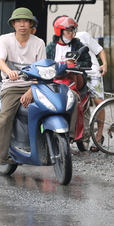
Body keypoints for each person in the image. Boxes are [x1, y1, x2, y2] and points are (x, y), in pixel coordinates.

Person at [0, 8, 46, 181]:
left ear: (31, 24)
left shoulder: (39, 43)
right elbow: (0, 61)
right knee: (4, 119)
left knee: (50, 109)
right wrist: (9, 72)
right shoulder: (5, 39)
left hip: (34, 85)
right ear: (13, 24)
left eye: (25, 21)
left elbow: (41, 70)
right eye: (18, 21)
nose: (22, 24)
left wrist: (31, 90)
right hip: (12, 86)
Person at [45, 16, 93, 147]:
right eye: (68, 30)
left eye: (73, 30)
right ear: (59, 31)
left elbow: (87, 61)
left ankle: (72, 134)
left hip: (75, 78)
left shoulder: (77, 44)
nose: (71, 33)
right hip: (55, 80)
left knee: (72, 96)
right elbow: (46, 64)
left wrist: (75, 63)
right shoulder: (50, 47)